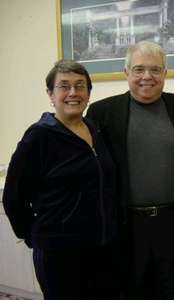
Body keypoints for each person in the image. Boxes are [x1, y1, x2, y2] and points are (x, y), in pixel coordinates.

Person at [86, 40, 174, 300]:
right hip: (127, 225)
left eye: (155, 70)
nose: (147, 77)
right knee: (131, 291)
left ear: (165, 73)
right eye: (139, 69)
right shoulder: (102, 113)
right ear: (126, 72)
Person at [2, 60, 118, 300]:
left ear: (88, 93)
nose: (73, 93)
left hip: (102, 249)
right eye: (64, 86)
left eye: (80, 86)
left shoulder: (95, 129)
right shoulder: (38, 137)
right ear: (50, 94)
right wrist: (35, 236)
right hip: (60, 254)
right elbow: (13, 197)